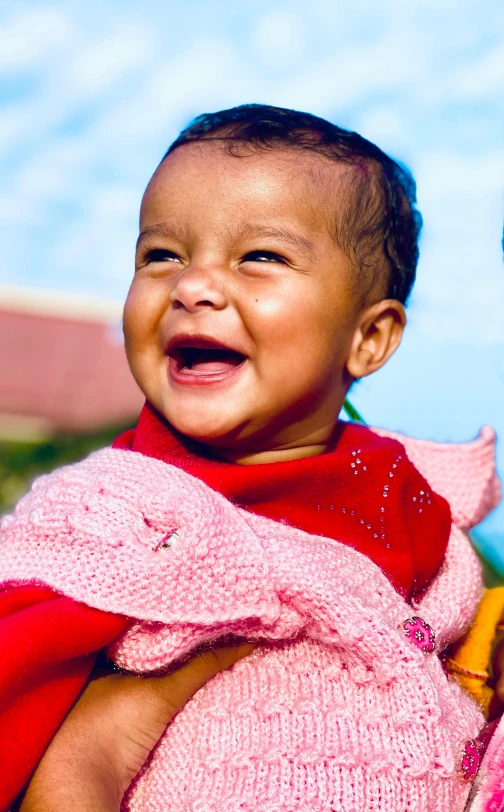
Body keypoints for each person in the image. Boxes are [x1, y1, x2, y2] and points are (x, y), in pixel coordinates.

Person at [0, 104, 502, 812]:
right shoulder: (119, 515)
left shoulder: (406, 502)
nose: (191, 286)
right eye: (161, 255)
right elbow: (79, 752)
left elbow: (450, 675)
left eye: (259, 257)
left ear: (370, 339)